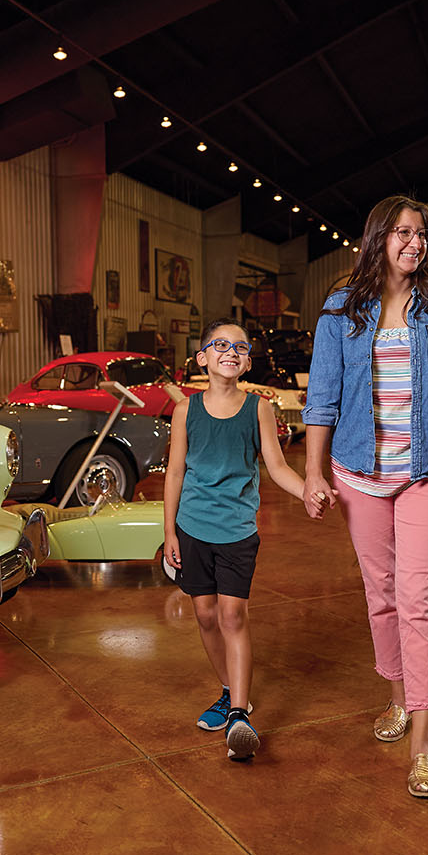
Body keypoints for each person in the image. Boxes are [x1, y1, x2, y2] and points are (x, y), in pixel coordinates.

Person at [301, 194, 428, 798]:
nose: (412, 243)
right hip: (359, 474)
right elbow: (322, 398)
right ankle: (399, 698)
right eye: (401, 232)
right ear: (377, 237)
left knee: (418, 600)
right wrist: (313, 472)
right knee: (380, 595)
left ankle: (424, 740)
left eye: (421, 234)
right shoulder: (340, 310)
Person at [164, 318, 308, 761]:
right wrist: (168, 530)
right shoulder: (185, 410)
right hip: (191, 527)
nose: (231, 351)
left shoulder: (258, 408)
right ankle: (228, 691)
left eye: (240, 347)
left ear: (247, 362)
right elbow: (174, 472)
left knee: (232, 616)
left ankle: (241, 714)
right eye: (220, 344)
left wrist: (309, 490)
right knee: (205, 614)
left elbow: (278, 466)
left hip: (237, 532)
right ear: (202, 357)